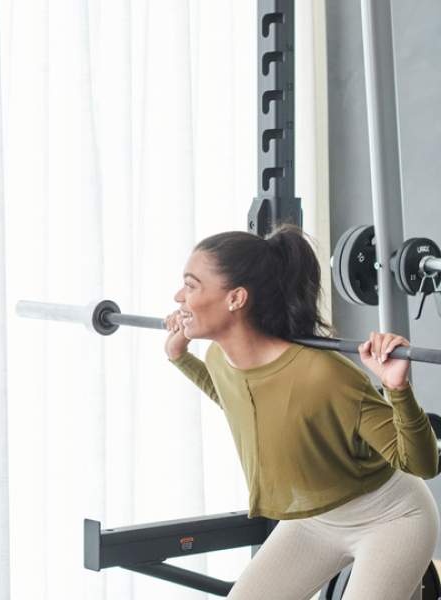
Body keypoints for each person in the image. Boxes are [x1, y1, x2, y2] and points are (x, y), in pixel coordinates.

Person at [164, 226, 439, 600]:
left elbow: (422, 463)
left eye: (191, 285)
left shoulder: (323, 376)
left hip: (390, 519)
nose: (179, 297)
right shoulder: (221, 360)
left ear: (235, 299)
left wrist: (397, 389)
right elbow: (236, 401)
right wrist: (179, 356)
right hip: (313, 522)